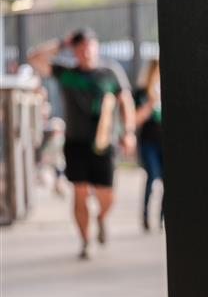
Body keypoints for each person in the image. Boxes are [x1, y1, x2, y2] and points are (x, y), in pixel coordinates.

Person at [28, 28, 137, 260]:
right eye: (80, 48)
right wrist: (62, 43)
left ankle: (101, 218)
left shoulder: (110, 72)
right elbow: (34, 58)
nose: (86, 52)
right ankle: (86, 240)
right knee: (79, 192)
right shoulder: (66, 73)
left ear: (96, 47)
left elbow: (125, 101)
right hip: (75, 142)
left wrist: (128, 132)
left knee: (106, 195)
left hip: (104, 143)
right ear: (75, 50)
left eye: (89, 46)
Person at [134, 58, 164, 231]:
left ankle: (162, 218)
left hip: (164, 142)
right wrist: (150, 103)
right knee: (152, 176)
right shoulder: (141, 93)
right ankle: (146, 216)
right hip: (149, 142)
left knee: (167, 180)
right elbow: (135, 119)